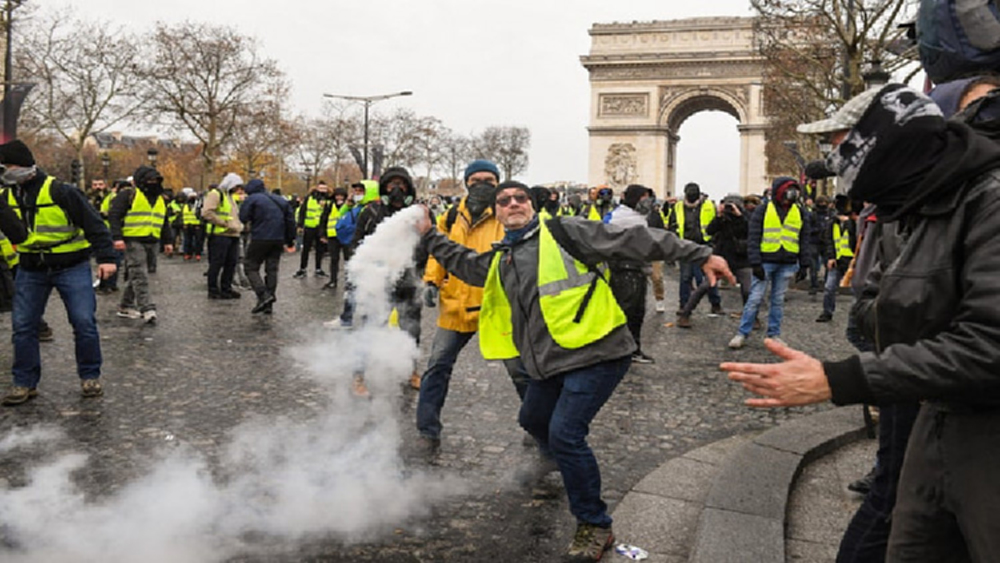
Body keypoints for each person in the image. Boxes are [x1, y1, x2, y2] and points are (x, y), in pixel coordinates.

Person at [721, 84, 1000, 561]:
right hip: (933, 415)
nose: (832, 160)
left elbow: (988, 346)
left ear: (881, 144)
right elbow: (882, 305)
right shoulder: (906, 209)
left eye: (840, 145)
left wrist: (839, 377)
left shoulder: (987, 200)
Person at [417, 180, 734, 562]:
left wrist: (699, 254)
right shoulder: (505, 256)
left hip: (597, 352)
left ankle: (594, 524)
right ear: (498, 213)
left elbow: (634, 239)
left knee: (566, 433)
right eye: (505, 201)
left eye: (520, 198)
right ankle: (563, 463)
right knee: (532, 419)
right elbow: (470, 266)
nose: (513, 204)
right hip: (550, 363)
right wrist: (431, 235)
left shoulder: (565, 231)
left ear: (532, 206)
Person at [417, 159, 530, 444]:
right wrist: (431, 279)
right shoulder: (452, 215)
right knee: (436, 368)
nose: (481, 184)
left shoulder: (508, 213)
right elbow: (438, 250)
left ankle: (537, 427)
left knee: (522, 373)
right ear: (466, 182)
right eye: (475, 179)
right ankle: (426, 428)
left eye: (489, 180)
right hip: (456, 303)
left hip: (499, 307)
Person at [0, 140, 117, 406]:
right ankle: (24, 383)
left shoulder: (61, 190)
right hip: (31, 267)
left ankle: (90, 376)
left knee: (83, 322)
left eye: (7, 167)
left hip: (71, 266)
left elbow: (94, 224)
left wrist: (107, 258)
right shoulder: (5, 196)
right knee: (23, 327)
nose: (5, 172)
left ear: (23, 165)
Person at [342, 167, 427, 394]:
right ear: (384, 188)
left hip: (409, 283)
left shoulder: (420, 214)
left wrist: (424, 274)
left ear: (409, 188)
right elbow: (356, 245)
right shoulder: (370, 212)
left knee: (412, 330)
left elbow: (431, 244)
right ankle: (359, 376)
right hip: (378, 284)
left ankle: (411, 371)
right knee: (370, 328)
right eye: (391, 185)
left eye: (402, 184)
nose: (397, 190)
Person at [728, 177, 812, 349]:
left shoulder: (800, 212)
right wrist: (756, 263)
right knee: (755, 299)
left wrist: (804, 263)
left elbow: (804, 239)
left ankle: (774, 334)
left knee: (778, 300)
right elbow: (754, 238)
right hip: (765, 262)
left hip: (787, 262)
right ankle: (742, 333)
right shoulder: (763, 210)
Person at [107, 165, 174, 323]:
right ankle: (147, 308)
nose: (153, 183)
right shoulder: (128, 196)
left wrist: (168, 241)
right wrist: (117, 238)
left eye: (155, 180)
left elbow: (164, 222)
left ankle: (125, 305)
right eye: (149, 180)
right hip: (132, 239)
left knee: (136, 275)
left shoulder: (161, 199)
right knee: (140, 274)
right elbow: (114, 216)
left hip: (152, 240)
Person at [677, 193, 751, 329]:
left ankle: (752, 317)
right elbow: (710, 231)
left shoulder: (746, 217)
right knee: (704, 287)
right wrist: (719, 216)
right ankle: (685, 314)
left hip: (741, 259)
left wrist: (739, 216)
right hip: (721, 258)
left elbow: (748, 231)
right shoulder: (722, 218)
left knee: (747, 290)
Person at [605, 184, 658, 364]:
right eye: (645, 197)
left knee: (635, 312)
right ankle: (626, 350)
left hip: (631, 269)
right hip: (627, 270)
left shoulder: (630, 215)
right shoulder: (624, 218)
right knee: (630, 313)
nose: (648, 202)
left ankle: (628, 349)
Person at [238, 178, 295, 315]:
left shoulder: (252, 199)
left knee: (250, 266)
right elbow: (290, 220)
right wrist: (290, 240)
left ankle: (263, 295)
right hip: (278, 239)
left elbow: (243, 217)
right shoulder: (280, 200)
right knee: (272, 269)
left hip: (260, 237)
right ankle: (268, 305)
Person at [669, 182, 722, 316]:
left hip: (704, 245)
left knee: (708, 276)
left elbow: (717, 225)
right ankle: (684, 305)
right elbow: (672, 225)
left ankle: (715, 304)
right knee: (685, 277)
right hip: (685, 246)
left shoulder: (709, 205)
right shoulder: (678, 207)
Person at [815, 196, 858, 323]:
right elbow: (829, 241)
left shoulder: (853, 222)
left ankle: (857, 316)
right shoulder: (832, 223)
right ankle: (827, 312)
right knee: (829, 288)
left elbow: (857, 239)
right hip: (837, 260)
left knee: (857, 290)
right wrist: (831, 257)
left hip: (852, 260)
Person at [202, 173, 244, 299]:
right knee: (217, 263)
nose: (238, 189)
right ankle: (213, 289)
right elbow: (207, 212)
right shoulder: (216, 194)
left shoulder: (229, 196)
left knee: (231, 263)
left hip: (232, 234)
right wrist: (224, 224)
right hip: (220, 234)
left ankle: (226, 288)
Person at [293, 180, 331, 278]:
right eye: (321, 188)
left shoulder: (329, 200)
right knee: (306, 249)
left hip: (321, 228)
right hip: (309, 227)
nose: (323, 190)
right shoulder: (309, 198)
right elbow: (303, 211)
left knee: (320, 250)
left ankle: (318, 269)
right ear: (317, 188)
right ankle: (302, 269)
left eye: (324, 188)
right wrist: (300, 225)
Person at [319, 186, 350, 289]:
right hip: (332, 235)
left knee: (348, 260)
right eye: (337, 196)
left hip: (345, 235)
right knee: (334, 259)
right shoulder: (330, 205)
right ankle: (333, 280)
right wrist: (322, 234)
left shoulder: (348, 206)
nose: (339, 198)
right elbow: (324, 219)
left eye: (341, 196)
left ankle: (349, 281)